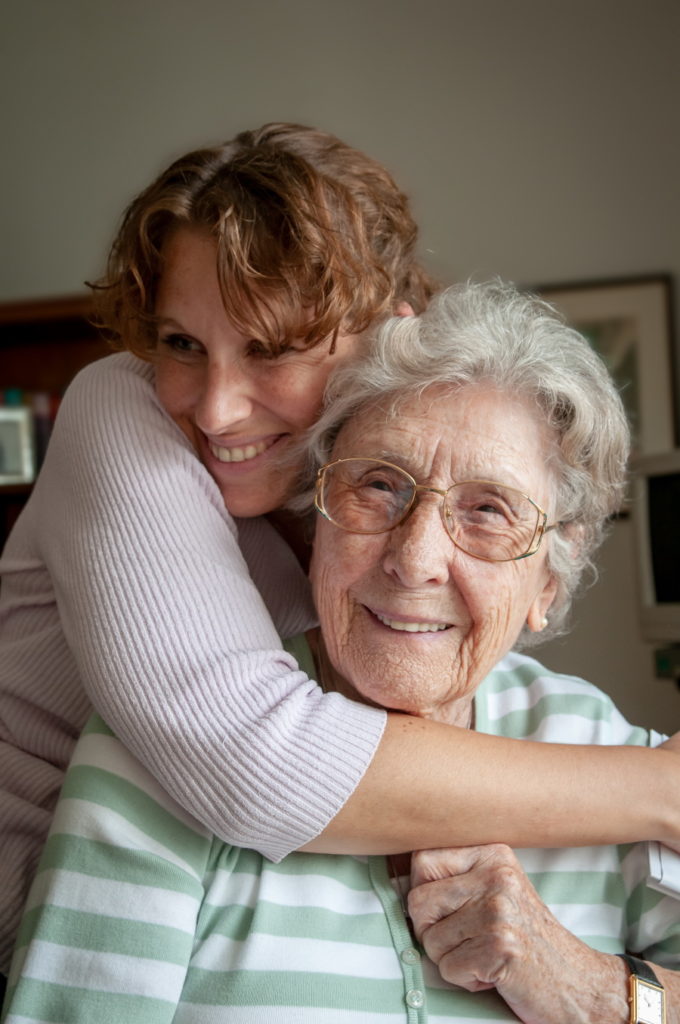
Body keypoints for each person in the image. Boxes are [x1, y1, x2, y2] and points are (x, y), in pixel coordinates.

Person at [1, 122, 679, 990]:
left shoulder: (550, 714)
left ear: (386, 336)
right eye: (181, 344)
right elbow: (251, 758)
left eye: (272, 348)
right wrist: (658, 787)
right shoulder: (122, 414)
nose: (214, 409)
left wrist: (612, 993)